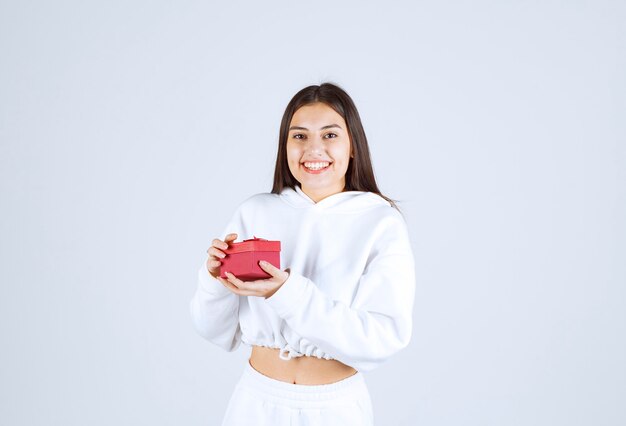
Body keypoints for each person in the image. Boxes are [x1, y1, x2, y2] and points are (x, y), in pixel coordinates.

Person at [190, 82, 416, 425]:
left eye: (329, 135)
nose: (314, 149)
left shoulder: (379, 223)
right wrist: (215, 280)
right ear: (285, 147)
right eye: (299, 136)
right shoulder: (255, 212)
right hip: (256, 404)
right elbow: (214, 330)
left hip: (336, 409)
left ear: (353, 145)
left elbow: (380, 340)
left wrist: (287, 293)